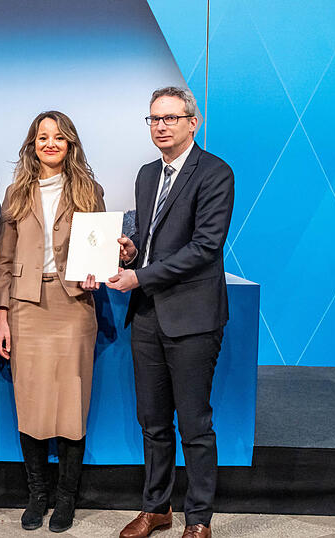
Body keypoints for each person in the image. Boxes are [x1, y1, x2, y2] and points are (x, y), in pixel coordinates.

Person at [107, 87, 234, 538]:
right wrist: (130, 253)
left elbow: (205, 247)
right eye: (154, 119)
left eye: (171, 118)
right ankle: (155, 508)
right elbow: (155, 242)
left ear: (192, 122)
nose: (161, 126)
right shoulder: (147, 174)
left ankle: (198, 519)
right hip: (146, 317)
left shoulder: (215, 172)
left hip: (193, 317)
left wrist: (140, 277)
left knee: (195, 425)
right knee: (153, 421)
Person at [0, 110, 105, 533]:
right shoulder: (16, 192)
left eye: (59, 137)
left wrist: (100, 269)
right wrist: (1, 317)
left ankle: (65, 498)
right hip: (25, 308)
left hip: (74, 305)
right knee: (33, 405)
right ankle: (37, 494)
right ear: (33, 145)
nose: (50, 143)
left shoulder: (89, 191)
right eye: (43, 137)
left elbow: (101, 248)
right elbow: (2, 263)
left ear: (70, 144)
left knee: (71, 405)